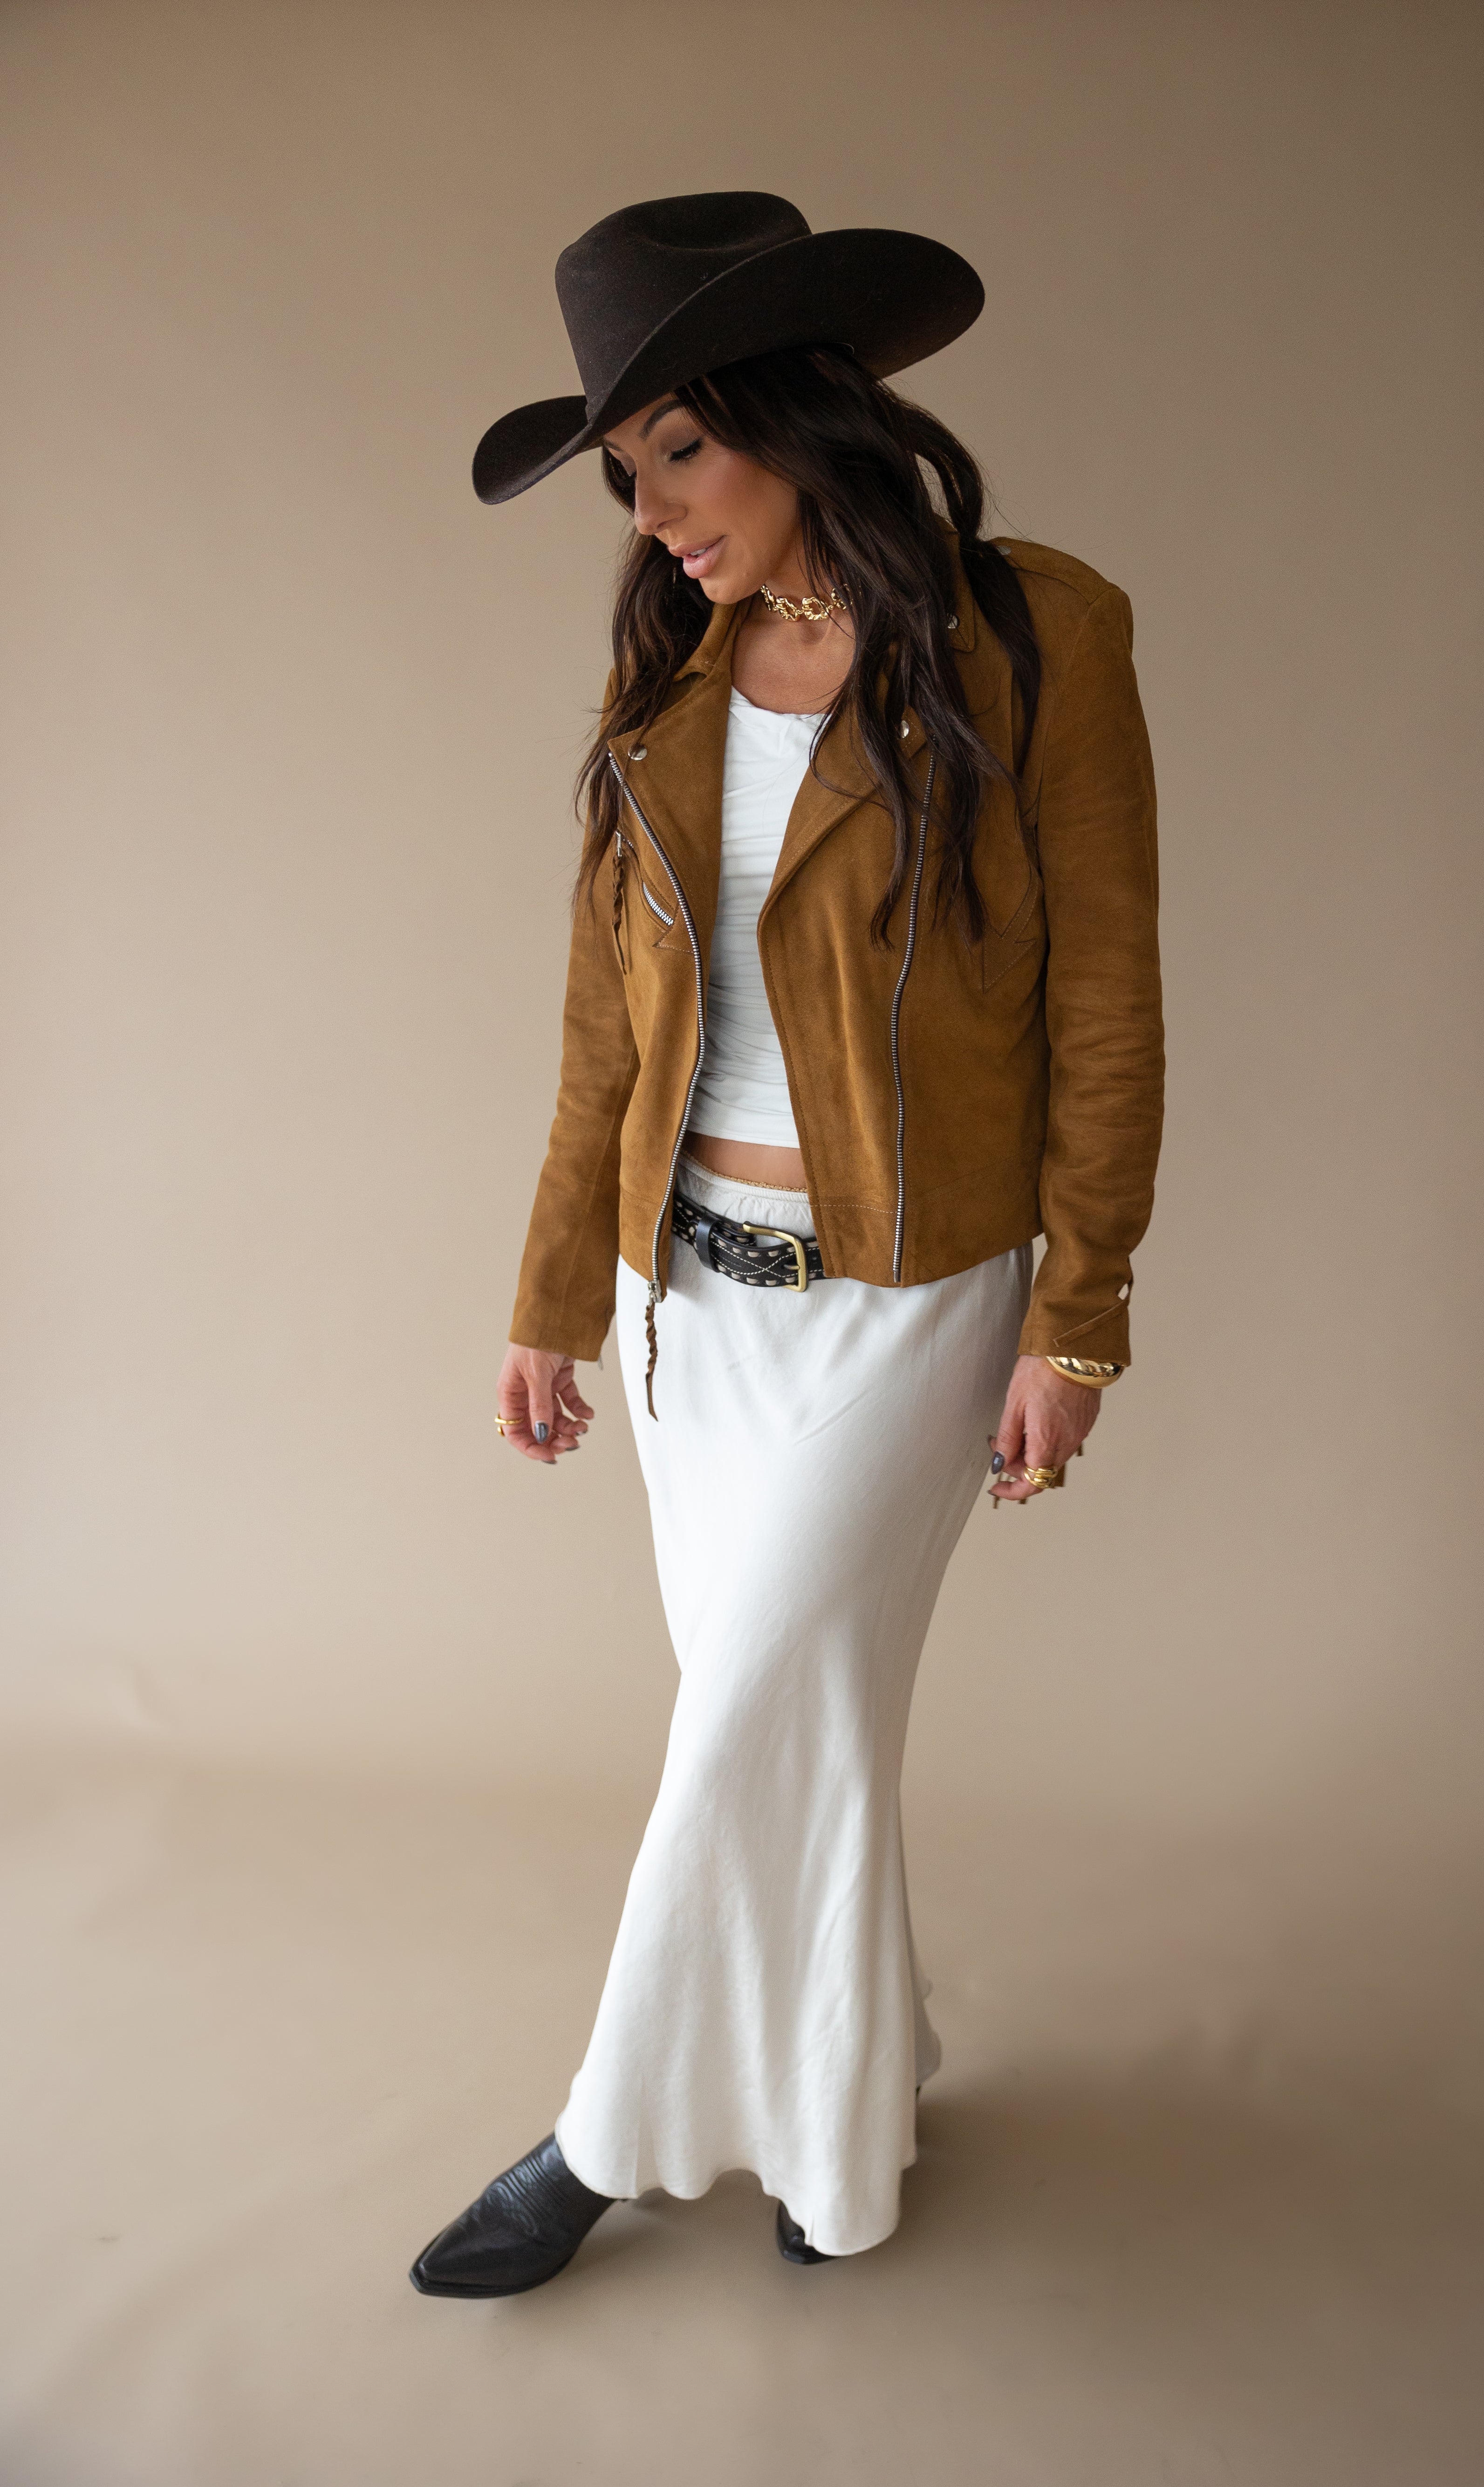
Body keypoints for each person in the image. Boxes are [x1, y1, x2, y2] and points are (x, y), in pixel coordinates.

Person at [410, 191, 1163, 2295]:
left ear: (795, 414)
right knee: (792, 1726)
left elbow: (1105, 1001)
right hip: (686, 1315)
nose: (651, 513)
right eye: (625, 475)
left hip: (911, 1303)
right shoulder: (671, 682)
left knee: (748, 1713)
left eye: (678, 455)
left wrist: (1075, 1322)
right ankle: (846, 2122)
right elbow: (601, 1037)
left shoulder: (1036, 640)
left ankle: (595, 2142)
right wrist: (555, 1298)